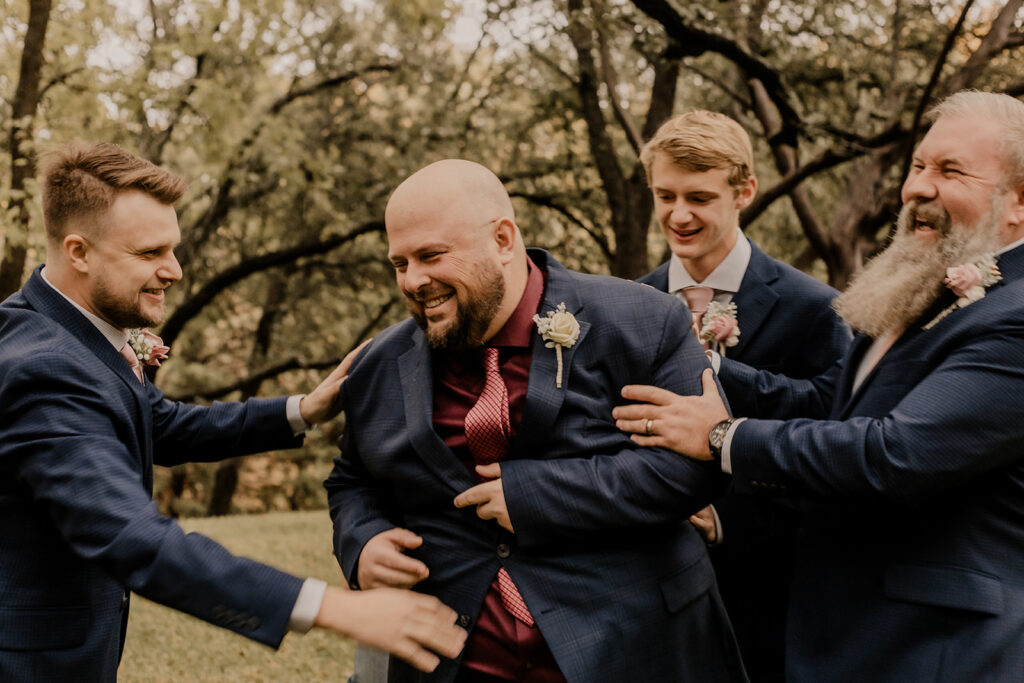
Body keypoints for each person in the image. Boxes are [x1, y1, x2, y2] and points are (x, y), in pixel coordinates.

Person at [0, 142, 466, 682]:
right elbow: (131, 537)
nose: (173, 270)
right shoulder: (44, 368)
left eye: (172, 249)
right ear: (79, 252)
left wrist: (302, 410)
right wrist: (334, 607)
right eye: (150, 253)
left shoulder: (59, 326)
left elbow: (162, 424)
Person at [614, 90, 1024, 681]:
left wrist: (721, 436)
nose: (918, 188)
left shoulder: (1014, 314)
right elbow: (830, 415)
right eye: (917, 166)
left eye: (950, 170)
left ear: (1018, 200)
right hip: (838, 632)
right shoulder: (916, 292)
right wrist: (708, 372)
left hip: (937, 648)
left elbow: (894, 452)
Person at [325, 159, 748, 682]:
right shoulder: (379, 364)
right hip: (454, 659)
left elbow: (694, 469)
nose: (414, 281)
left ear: (504, 240)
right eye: (399, 263)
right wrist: (362, 540)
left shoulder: (642, 321)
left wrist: (535, 494)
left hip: (629, 647)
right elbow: (353, 479)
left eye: (432, 256)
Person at [636, 110, 850, 680]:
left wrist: (724, 515)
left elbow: (832, 427)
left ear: (745, 191)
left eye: (699, 197)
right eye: (665, 195)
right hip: (646, 585)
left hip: (769, 591)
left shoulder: (815, 307)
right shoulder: (630, 304)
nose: (678, 215)